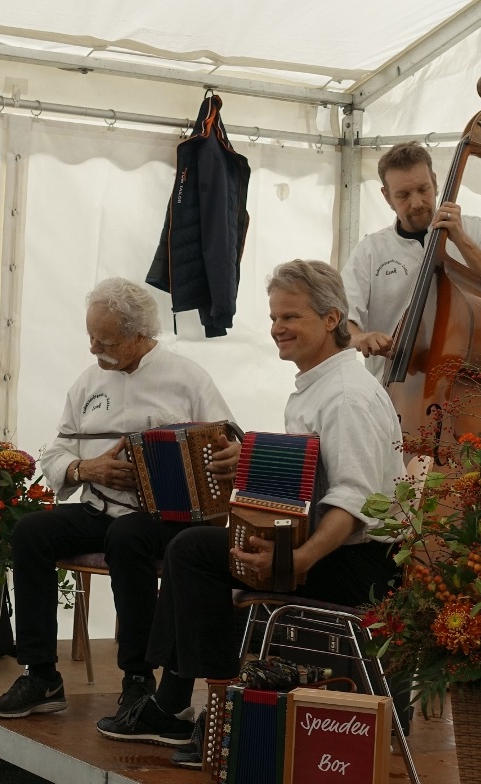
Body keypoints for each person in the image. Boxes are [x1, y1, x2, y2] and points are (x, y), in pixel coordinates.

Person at [120, 260, 404, 762]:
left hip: (357, 565)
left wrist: (299, 561)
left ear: (332, 318)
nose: (278, 328)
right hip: (328, 551)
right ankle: (180, 702)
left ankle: (218, 711)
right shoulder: (320, 386)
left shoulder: (346, 397)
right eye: (274, 316)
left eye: (291, 317)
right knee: (194, 546)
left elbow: (354, 504)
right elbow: (305, 486)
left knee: (191, 551)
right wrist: (248, 467)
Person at [0, 277, 241, 729]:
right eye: (90, 337)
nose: (92, 349)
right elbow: (56, 453)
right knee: (30, 533)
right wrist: (87, 470)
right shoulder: (87, 383)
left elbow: (228, 443)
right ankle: (41, 674)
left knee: (128, 537)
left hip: (166, 518)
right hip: (100, 505)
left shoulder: (187, 379)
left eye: (104, 341)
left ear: (141, 336)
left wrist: (221, 459)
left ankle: (137, 677)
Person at [342, 141, 481, 378]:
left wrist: (461, 240)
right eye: (403, 195)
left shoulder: (476, 231)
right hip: (394, 392)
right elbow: (341, 318)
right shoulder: (370, 251)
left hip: (465, 385)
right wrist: (360, 337)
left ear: (435, 182)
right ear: (386, 196)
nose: (416, 203)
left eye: (423, 189)